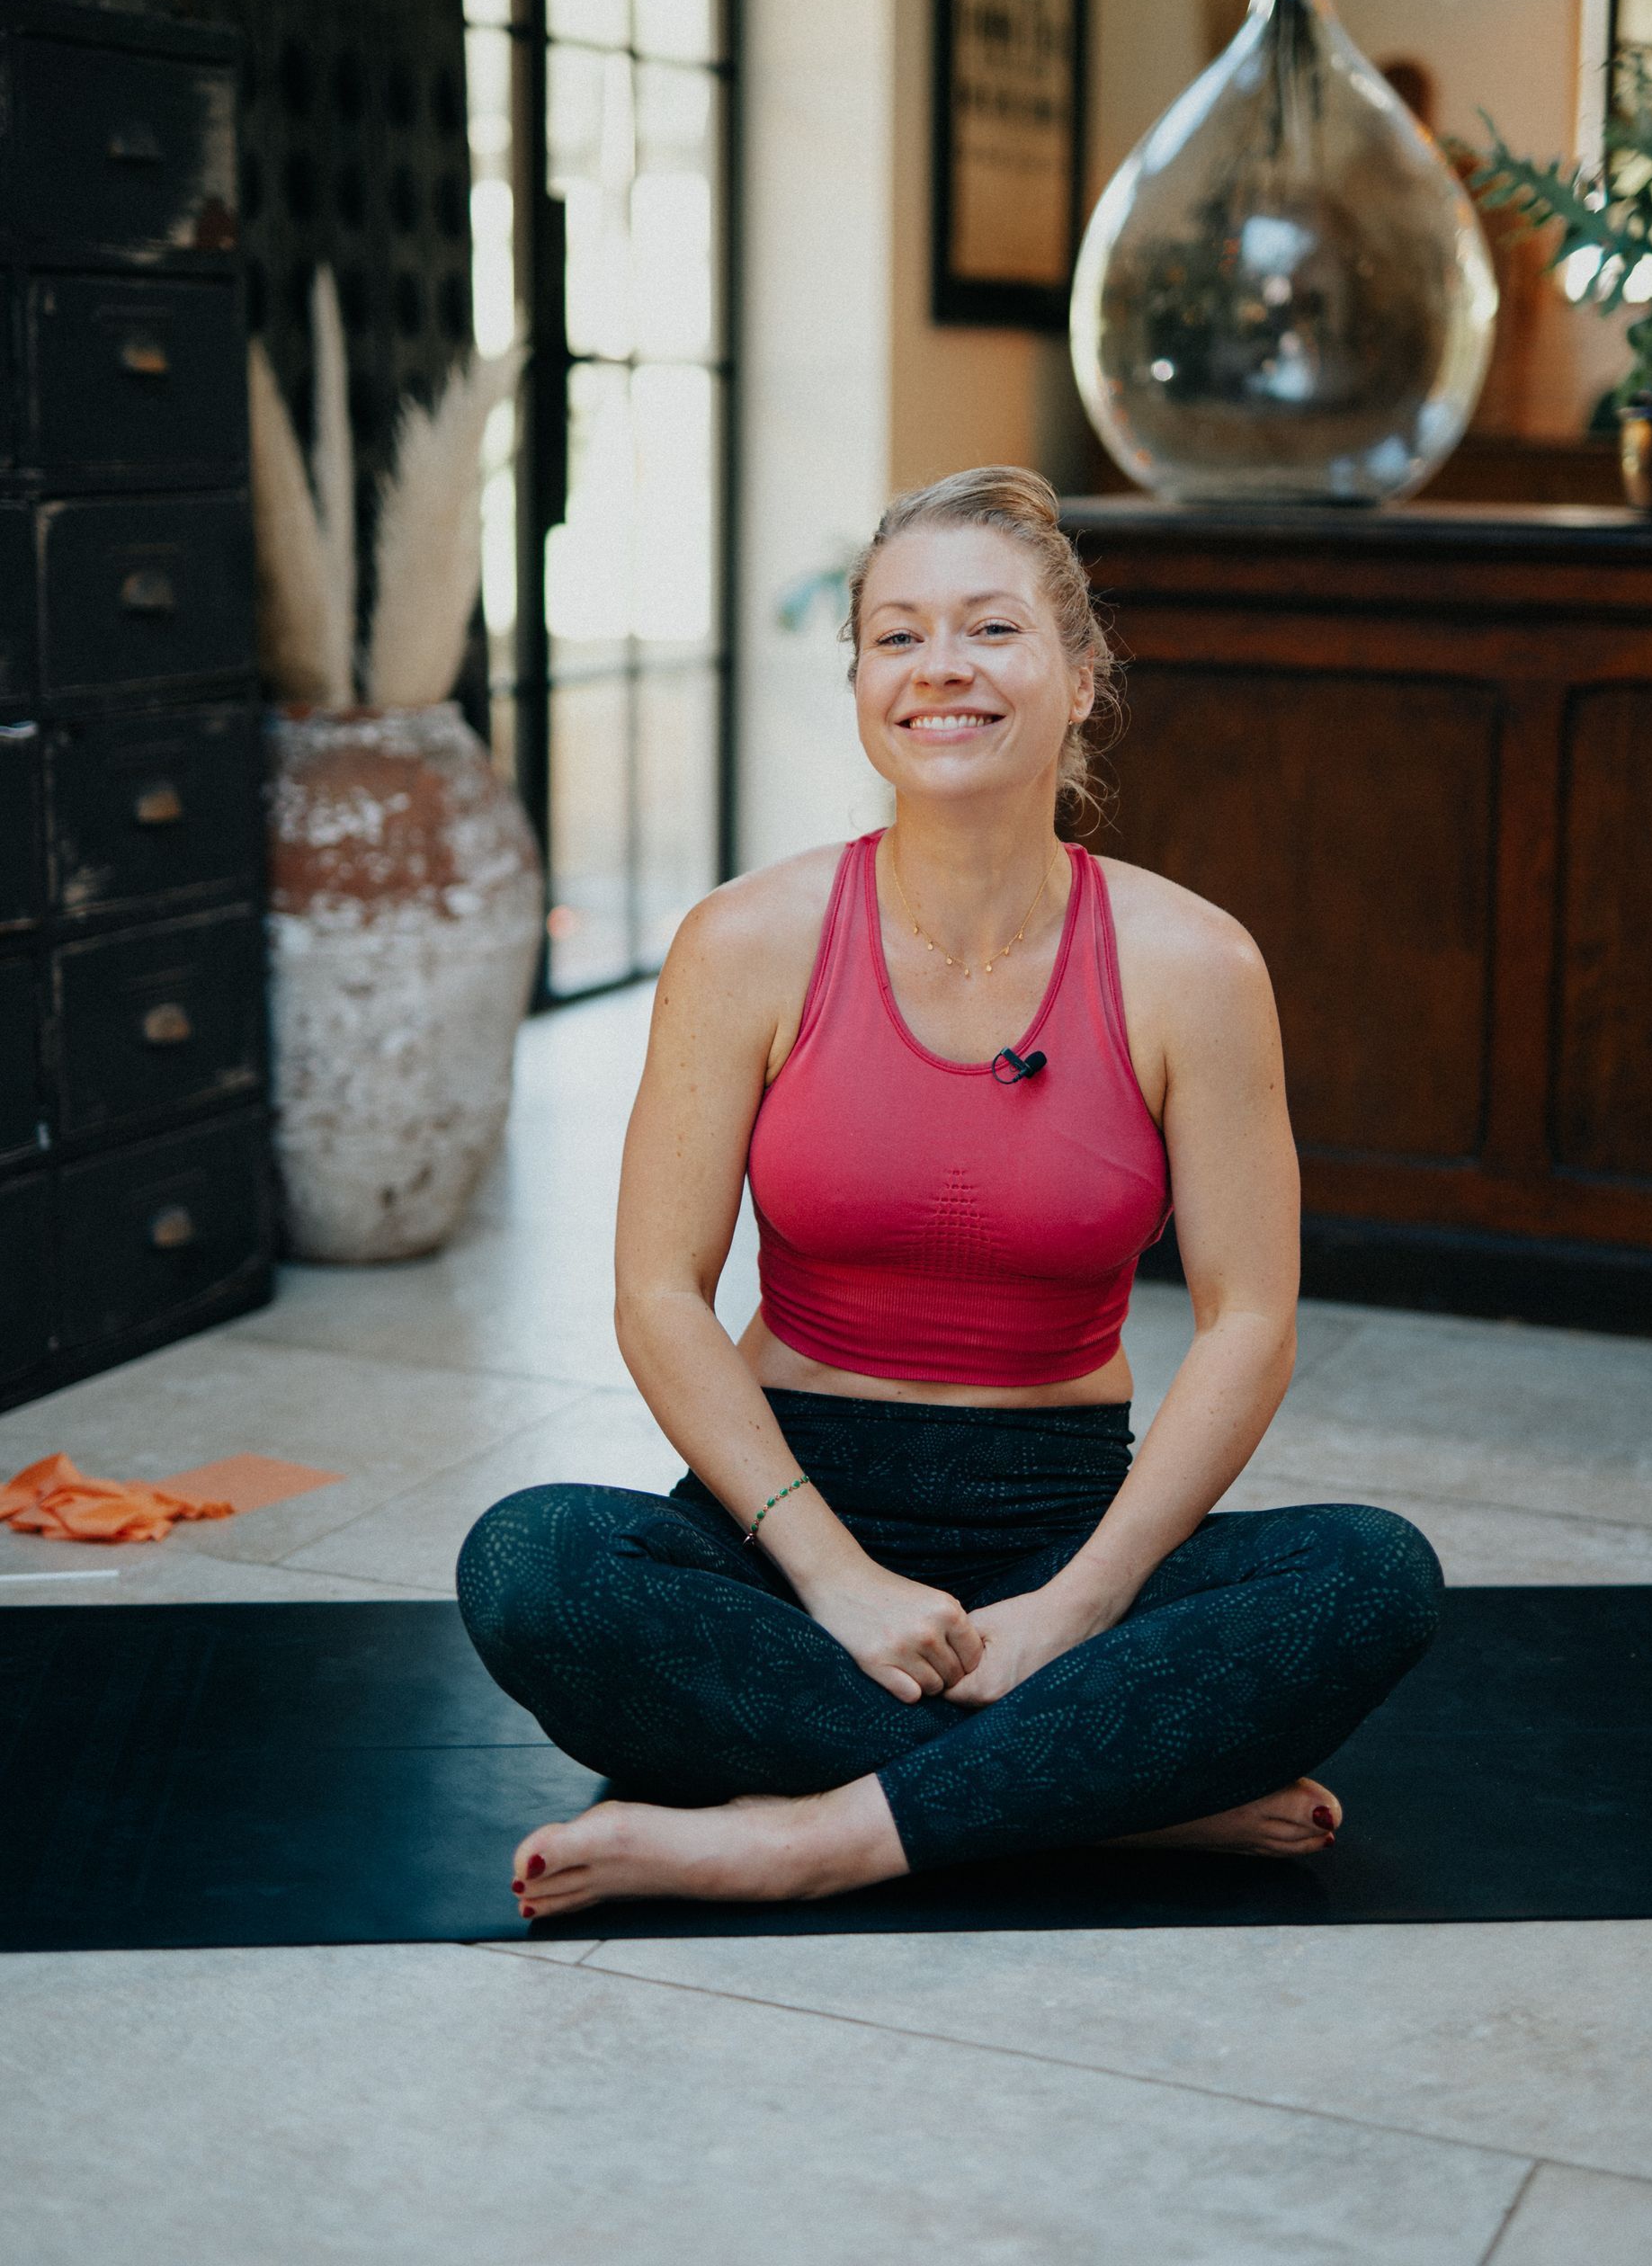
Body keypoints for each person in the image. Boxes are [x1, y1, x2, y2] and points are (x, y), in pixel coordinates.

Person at [458, 466, 1442, 1920]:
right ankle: (1109, 1802)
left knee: (1375, 1578)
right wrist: (835, 1576)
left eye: (990, 630)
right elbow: (658, 1296)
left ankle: (807, 1837)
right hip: (785, 1512)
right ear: (858, 674)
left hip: (1058, 1513)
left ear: (1082, 676)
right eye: (898, 635)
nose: (941, 672)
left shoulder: (1196, 964)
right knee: (534, 1562)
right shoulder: (746, 940)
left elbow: (1250, 1321)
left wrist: (1082, 1605)